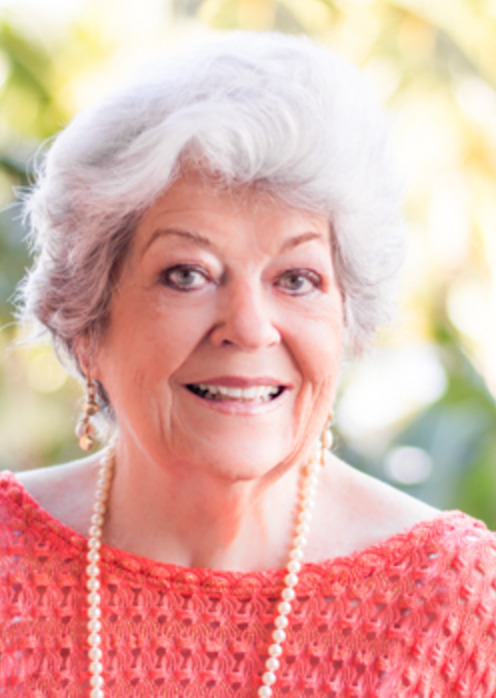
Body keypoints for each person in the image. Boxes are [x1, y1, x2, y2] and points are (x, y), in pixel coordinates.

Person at [1, 31, 495, 698]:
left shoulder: (452, 605)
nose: (250, 327)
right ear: (87, 321)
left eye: (296, 279)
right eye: (187, 274)